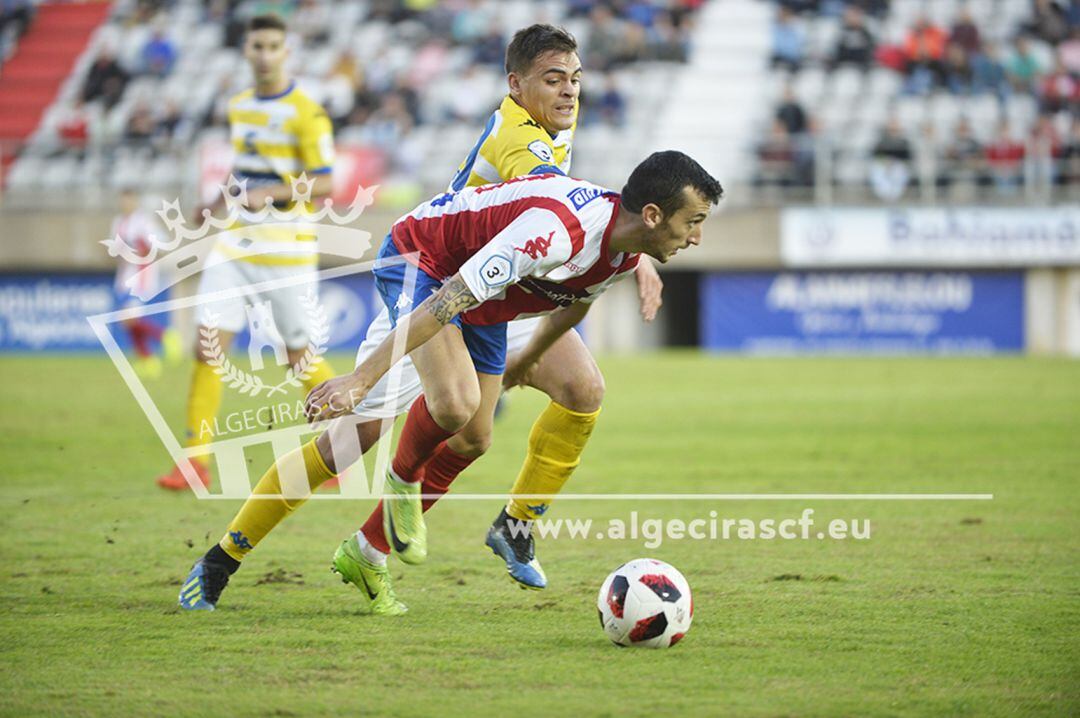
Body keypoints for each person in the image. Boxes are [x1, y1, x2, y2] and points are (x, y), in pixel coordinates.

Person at [177, 23, 667, 605]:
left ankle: (467, 533)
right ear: (516, 85)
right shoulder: (520, 137)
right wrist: (626, 241)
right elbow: (548, 203)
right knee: (351, 440)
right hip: (438, 276)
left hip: (496, 286)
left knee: (550, 403)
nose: (568, 92)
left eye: (575, 80)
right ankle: (222, 559)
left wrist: (628, 243)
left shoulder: (553, 121)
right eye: (553, 80)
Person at [155, 13, 336, 490]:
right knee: (207, 345)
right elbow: (243, 168)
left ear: (286, 51)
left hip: (287, 249)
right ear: (246, 50)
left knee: (299, 357)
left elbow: (328, 180)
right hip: (236, 243)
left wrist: (273, 192)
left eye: (273, 46)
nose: (264, 54)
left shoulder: (306, 112)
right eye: (257, 46)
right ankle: (194, 460)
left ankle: (346, 446)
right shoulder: (239, 105)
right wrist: (218, 201)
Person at [110, 187, 182, 379]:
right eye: (123, 200)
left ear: (135, 201)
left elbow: (162, 243)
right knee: (128, 322)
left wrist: (148, 251)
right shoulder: (118, 223)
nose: (125, 204)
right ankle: (148, 360)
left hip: (141, 276)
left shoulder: (143, 222)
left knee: (130, 318)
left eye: (129, 200)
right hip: (124, 277)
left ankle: (165, 336)